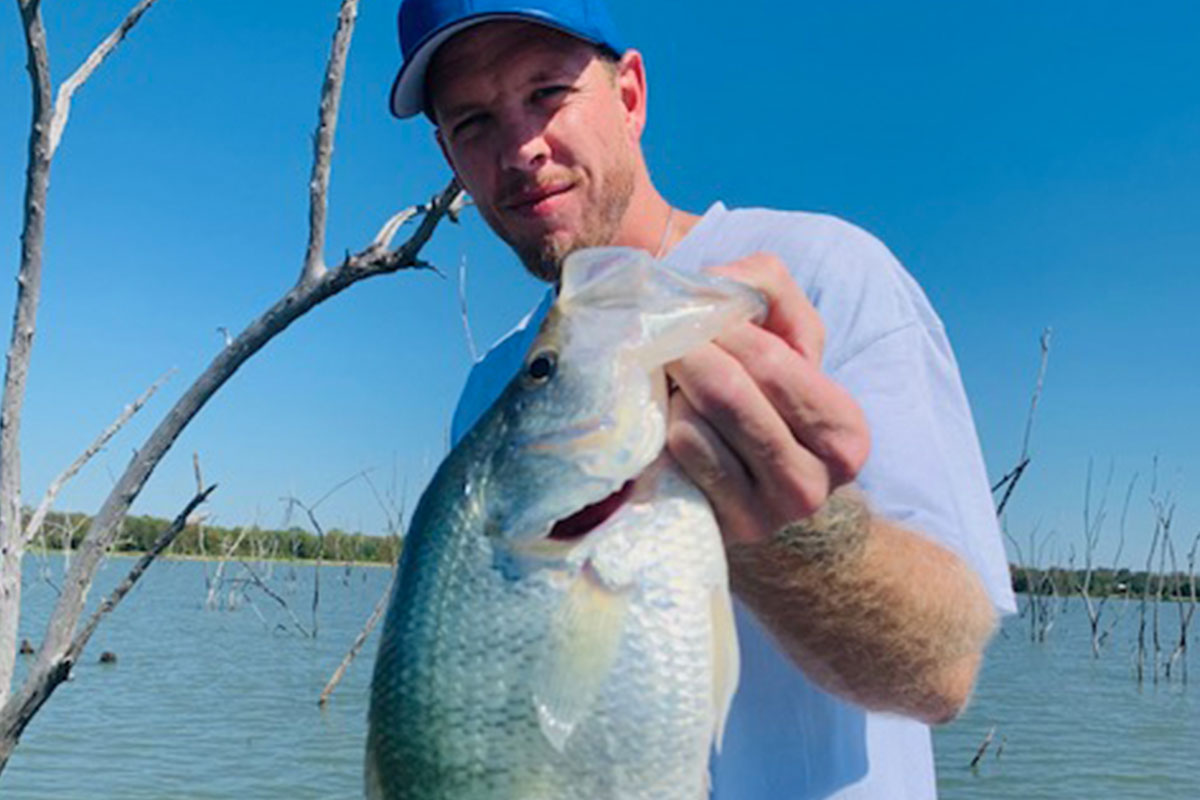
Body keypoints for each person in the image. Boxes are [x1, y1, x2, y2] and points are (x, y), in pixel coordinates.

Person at [388, 0, 1016, 796]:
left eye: (546, 92)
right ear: (448, 156)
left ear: (630, 96)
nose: (521, 148)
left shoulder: (825, 273)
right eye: (474, 122)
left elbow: (943, 671)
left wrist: (795, 532)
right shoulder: (492, 390)